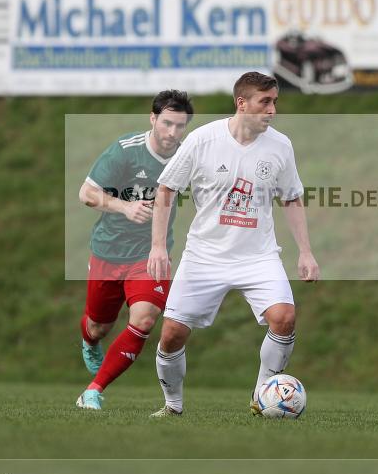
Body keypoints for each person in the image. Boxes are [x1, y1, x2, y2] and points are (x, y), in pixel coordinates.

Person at [147, 71, 319, 417]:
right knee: (171, 335)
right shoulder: (203, 140)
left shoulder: (280, 146)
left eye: (275, 102)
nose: (272, 110)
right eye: (264, 102)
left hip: (258, 256)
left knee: (284, 317)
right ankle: (173, 406)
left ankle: (263, 396)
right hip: (204, 256)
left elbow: (292, 198)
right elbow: (166, 189)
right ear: (242, 103)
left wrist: (305, 252)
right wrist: (158, 247)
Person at [76, 90, 193, 410]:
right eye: (166, 123)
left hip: (151, 254)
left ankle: (93, 391)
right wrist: (124, 207)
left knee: (144, 319)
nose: (172, 133)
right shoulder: (126, 150)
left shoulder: (187, 156)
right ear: (152, 119)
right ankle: (89, 340)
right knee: (99, 325)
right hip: (108, 251)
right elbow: (86, 193)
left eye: (180, 126)